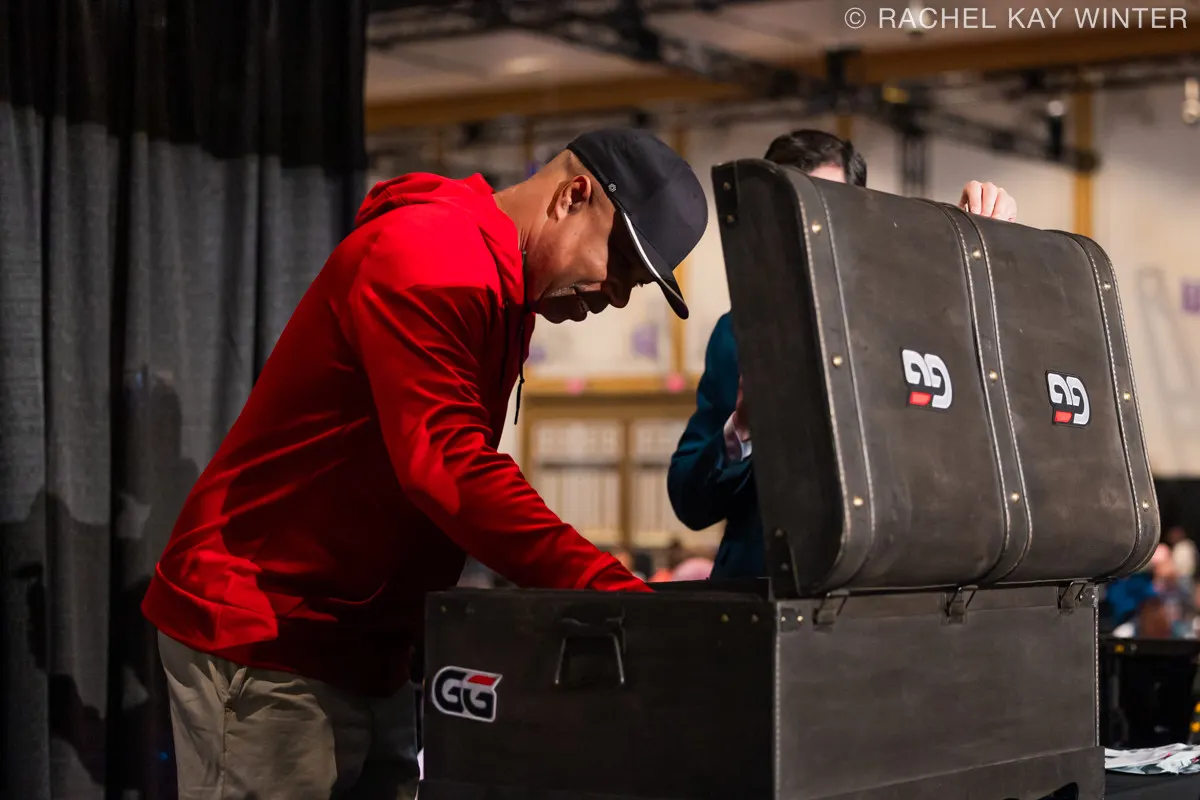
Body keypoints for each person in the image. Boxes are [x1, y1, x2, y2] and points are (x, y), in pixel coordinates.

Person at [141, 127, 708, 799]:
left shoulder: (504, 293)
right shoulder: (430, 252)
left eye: (635, 283)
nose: (617, 295)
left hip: (362, 647)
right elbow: (446, 462)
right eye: (620, 261)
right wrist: (613, 593)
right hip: (267, 630)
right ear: (572, 196)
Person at [667, 129, 1018, 580]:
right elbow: (689, 500)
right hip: (767, 588)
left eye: (824, 208)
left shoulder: (911, 317)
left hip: (887, 587)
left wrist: (987, 238)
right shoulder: (740, 331)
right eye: (790, 210)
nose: (808, 228)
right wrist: (743, 429)